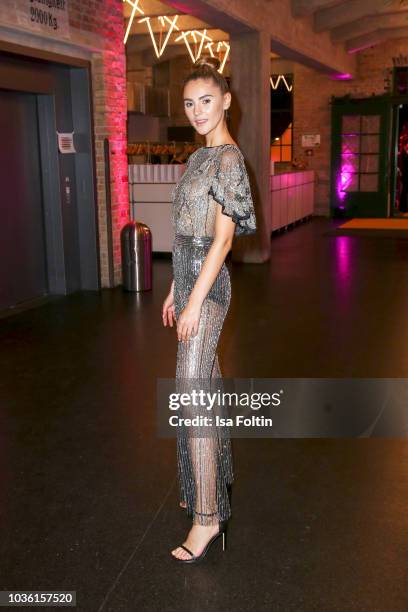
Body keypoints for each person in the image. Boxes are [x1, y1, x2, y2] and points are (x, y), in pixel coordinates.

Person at [162, 56, 257, 563]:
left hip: (210, 286)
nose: (197, 111)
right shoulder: (199, 157)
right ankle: (211, 483)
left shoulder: (227, 159)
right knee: (205, 389)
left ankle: (206, 519)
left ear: (225, 101)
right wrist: (177, 289)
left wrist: (195, 300)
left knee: (191, 394)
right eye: (189, 103)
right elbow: (189, 231)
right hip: (190, 280)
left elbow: (220, 243)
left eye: (206, 101)